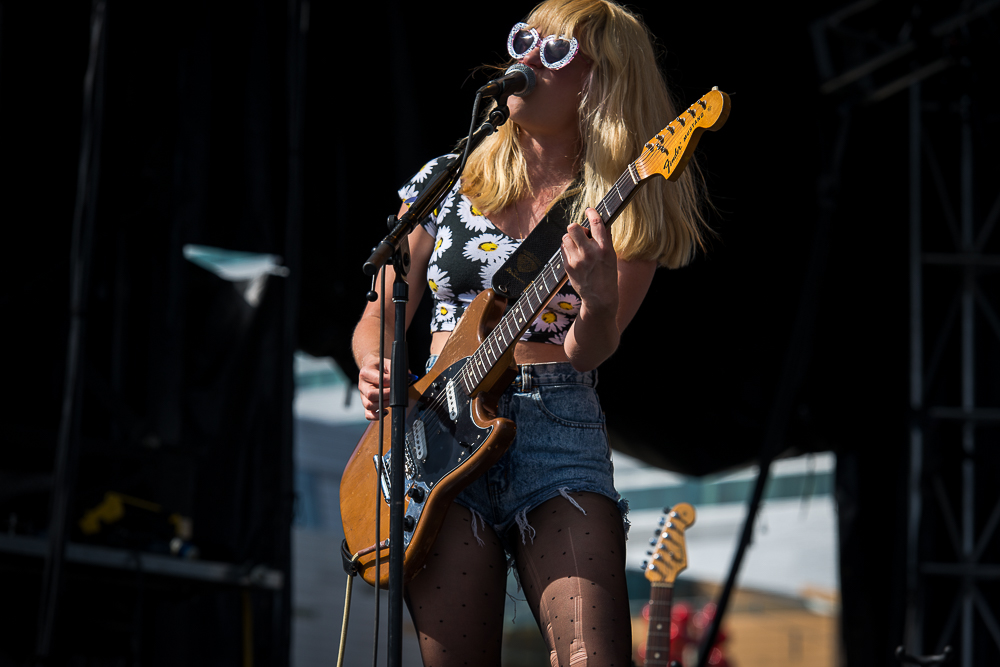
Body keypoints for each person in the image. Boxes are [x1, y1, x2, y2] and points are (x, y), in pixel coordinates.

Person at [352, 0, 709, 664]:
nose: (525, 61)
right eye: (524, 41)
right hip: (434, 434)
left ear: (601, 83)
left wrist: (597, 305)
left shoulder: (622, 209)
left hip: (556, 423)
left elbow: (591, 349)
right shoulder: (446, 179)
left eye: (554, 53)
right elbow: (382, 302)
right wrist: (376, 359)